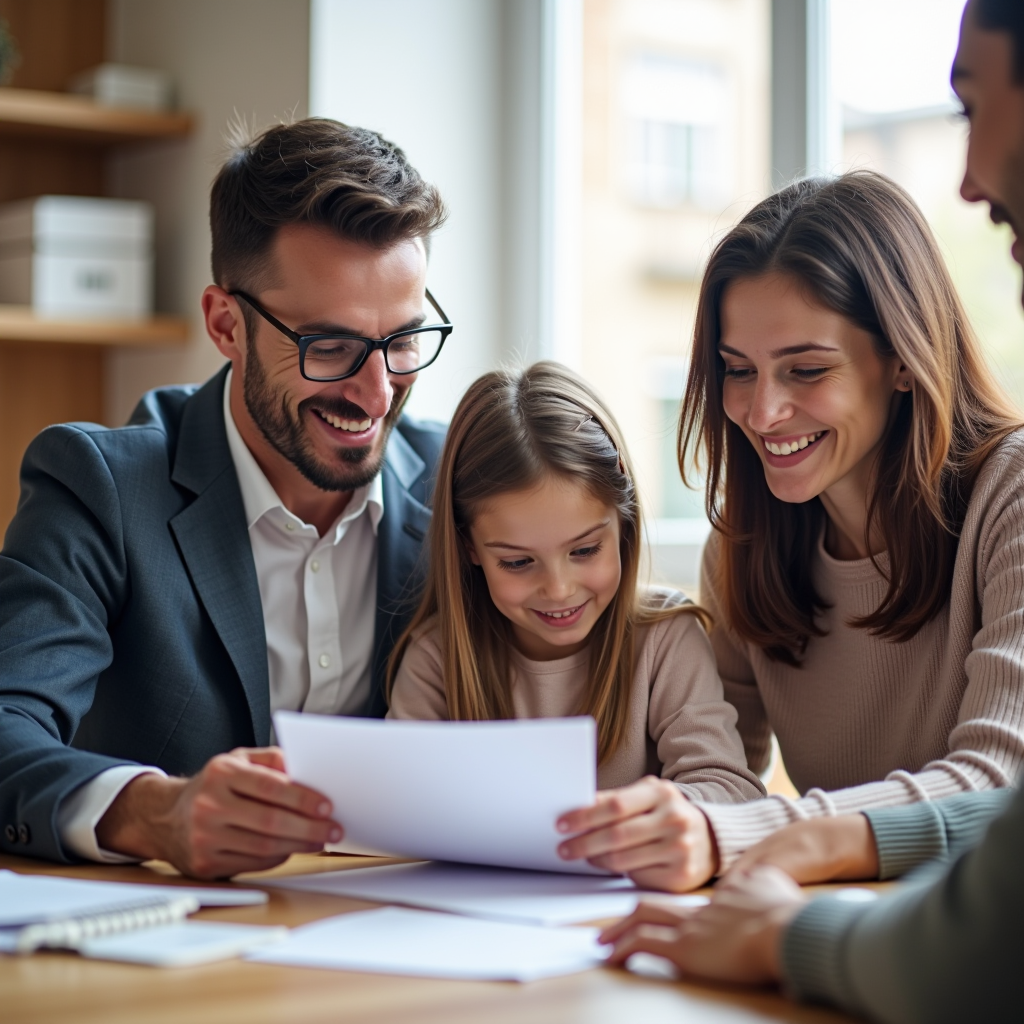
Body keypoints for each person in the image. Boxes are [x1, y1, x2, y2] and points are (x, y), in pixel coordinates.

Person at [601, 1, 1024, 1020]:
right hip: (834, 970)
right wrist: (669, 818)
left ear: (901, 359)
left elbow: (996, 782)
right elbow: (724, 782)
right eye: (737, 372)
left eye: (805, 370)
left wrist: (769, 835)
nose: (760, 412)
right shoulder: (745, 543)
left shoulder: (1010, 492)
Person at [0, 118, 450, 879]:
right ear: (225, 325)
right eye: (330, 346)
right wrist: (155, 812)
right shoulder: (100, 487)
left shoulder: (459, 485)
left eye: (402, 341)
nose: (377, 393)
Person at [387, 362, 765, 891]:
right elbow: (397, 804)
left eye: (585, 550)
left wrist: (646, 818)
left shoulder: (663, 637)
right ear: (470, 548)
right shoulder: (437, 656)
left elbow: (731, 789)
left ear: (623, 524)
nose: (560, 589)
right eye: (518, 562)